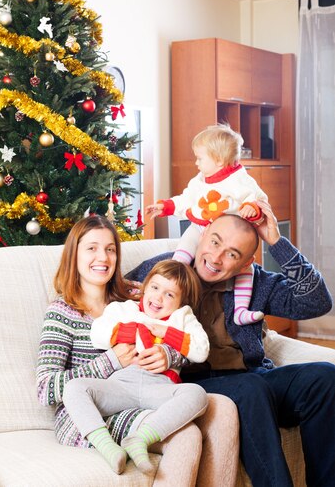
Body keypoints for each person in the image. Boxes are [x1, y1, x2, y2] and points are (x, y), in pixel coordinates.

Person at [130, 200, 335, 486]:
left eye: (232, 254)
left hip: (252, 380)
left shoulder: (257, 283)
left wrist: (275, 240)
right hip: (193, 385)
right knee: (252, 388)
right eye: (214, 242)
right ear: (202, 235)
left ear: (246, 262)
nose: (216, 258)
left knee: (325, 377)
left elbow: (317, 301)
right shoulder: (167, 269)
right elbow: (118, 304)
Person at [36, 214, 238, 486]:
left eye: (110, 249)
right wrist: (111, 361)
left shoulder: (135, 294)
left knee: (223, 408)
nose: (103, 257)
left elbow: (176, 329)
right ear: (74, 254)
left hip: (148, 393)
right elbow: (45, 388)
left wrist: (169, 355)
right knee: (186, 435)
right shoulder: (61, 313)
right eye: (92, 248)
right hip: (92, 413)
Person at [62, 259, 209, 474]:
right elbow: (97, 334)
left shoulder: (183, 318)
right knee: (74, 387)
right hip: (121, 384)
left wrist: (166, 332)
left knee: (197, 394)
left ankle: (140, 439)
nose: (159, 297)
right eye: (155, 287)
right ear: (145, 286)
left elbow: (201, 351)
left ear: (181, 302)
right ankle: (108, 447)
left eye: (170, 295)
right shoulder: (124, 309)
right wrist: (123, 332)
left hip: (160, 387)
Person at [146, 123, 268, 325]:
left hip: (231, 236)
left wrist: (252, 209)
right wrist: (166, 206)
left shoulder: (240, 180)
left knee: (246, 269)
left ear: (219, 161)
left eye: (200, 158)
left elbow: (260, 200)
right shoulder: (200, 180)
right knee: (185, 243)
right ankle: (175, 277)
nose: (196, 162)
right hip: (202, 228)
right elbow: (186, 199)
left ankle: (240, 310)